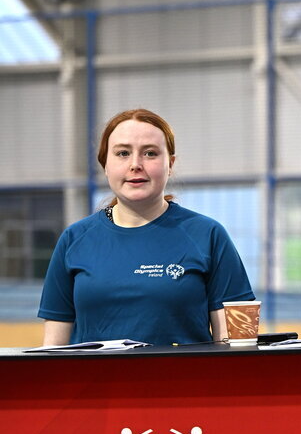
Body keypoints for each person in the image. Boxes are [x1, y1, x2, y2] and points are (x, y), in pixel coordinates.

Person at [39, 107, 254, 346]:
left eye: (150, 153)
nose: (135, 165)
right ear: (105, 165)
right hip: (94, 384)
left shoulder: (208, 235)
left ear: (170, 164)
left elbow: (236, 345)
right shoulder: (74, 239)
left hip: (184, 383)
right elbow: (54, 348)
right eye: (122, 153)